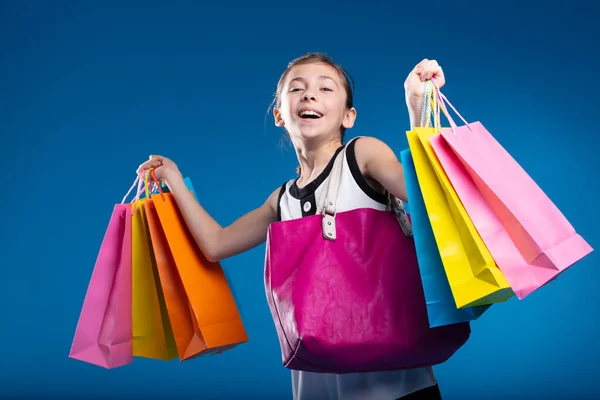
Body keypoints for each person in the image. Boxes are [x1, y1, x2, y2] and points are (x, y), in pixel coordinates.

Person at [137, 52, 446, 400]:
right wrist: (175, 181)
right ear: (280, 115)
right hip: (316, 386)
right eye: (297, 89)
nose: (310, 95)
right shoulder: (282, 200)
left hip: (399, 388)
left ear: (349, 115)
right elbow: (216, 244)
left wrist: (418, 108)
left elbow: (425, 194)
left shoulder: (363, 155)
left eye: (325, 88)